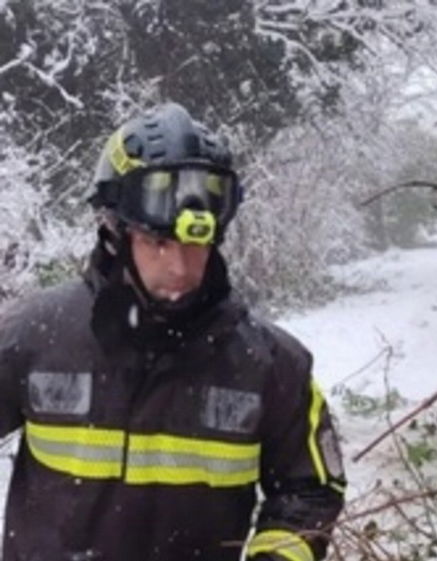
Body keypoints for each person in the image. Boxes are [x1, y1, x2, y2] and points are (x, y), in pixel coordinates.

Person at [0, 102, 346, 561]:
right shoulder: (33, 337)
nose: (180, 268)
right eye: (158, 242)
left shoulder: (272, 366)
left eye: (195, 244)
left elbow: (311, 491)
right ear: (115, 231)